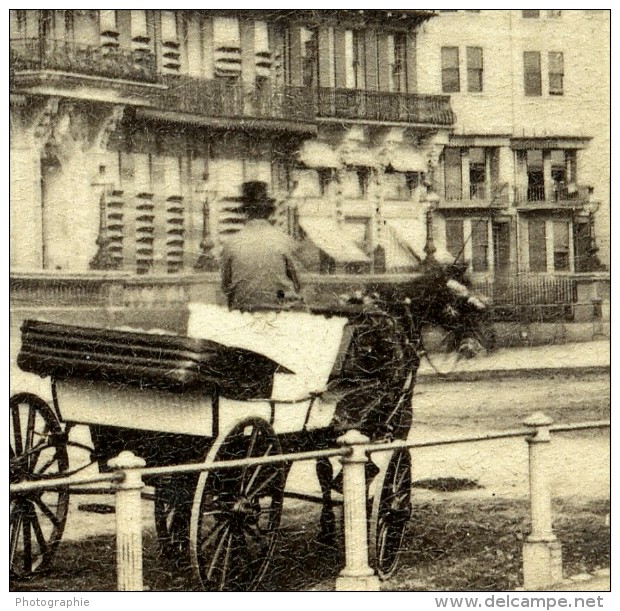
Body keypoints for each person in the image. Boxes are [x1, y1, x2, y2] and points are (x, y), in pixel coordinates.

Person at [220, 181, 303, 311]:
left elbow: (225, 287)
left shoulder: (230, 244)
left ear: (244, 213)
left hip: (243, 316)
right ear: (269, 212)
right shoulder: (285, 240)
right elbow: (299, 283)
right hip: (281, 316)